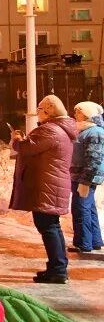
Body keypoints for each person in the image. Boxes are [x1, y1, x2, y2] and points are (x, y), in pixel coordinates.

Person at [10, 95, 78, 283]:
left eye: (40, 109)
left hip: (46, 187)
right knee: (51, 226)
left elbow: (26, 148)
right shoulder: (60, 130)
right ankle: (57, 267)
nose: (37, 112)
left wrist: (16, 139)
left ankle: (58, 269)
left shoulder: (50, 130)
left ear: (49, 111)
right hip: (51, 185)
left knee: (48, 227)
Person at [70, 101, 104, 253]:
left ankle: (84, 244)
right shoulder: (85, 131)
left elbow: (94, 158)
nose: (75, 114)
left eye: (78, 111)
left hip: (85, 177)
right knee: (88, 208)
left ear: (87, 114)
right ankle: (95, 241)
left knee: (80, 209)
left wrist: (85, 181)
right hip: (82, 175)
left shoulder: (94, 132)